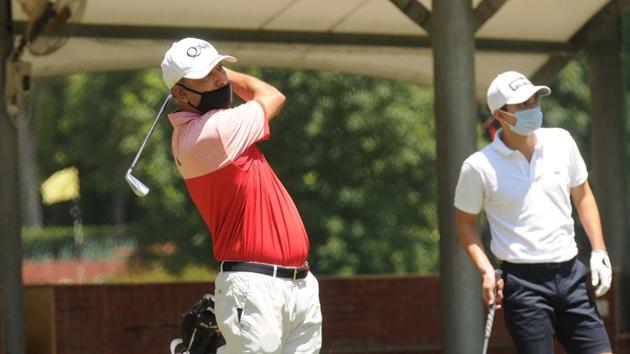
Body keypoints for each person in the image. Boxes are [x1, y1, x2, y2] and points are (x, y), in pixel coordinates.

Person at [161, 37, 322, 354]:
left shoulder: (213, 126)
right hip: (255, 286)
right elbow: (272, 96)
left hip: (298, 282)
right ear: (180, 93)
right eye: (206, 75)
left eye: (219, 68)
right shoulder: (214, 132)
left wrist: (214, 76)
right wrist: (232, 78)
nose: (219, 78)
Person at [454, 71, 613, 354]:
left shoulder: (561, 142)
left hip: (571, 274)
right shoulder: (478, 167)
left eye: (534, 101)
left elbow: (583, 195)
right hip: (523, 285)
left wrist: (599, 251)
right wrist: (486, 270)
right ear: (501, 115)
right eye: (522, 105)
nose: (533, 109)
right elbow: (465, 225)